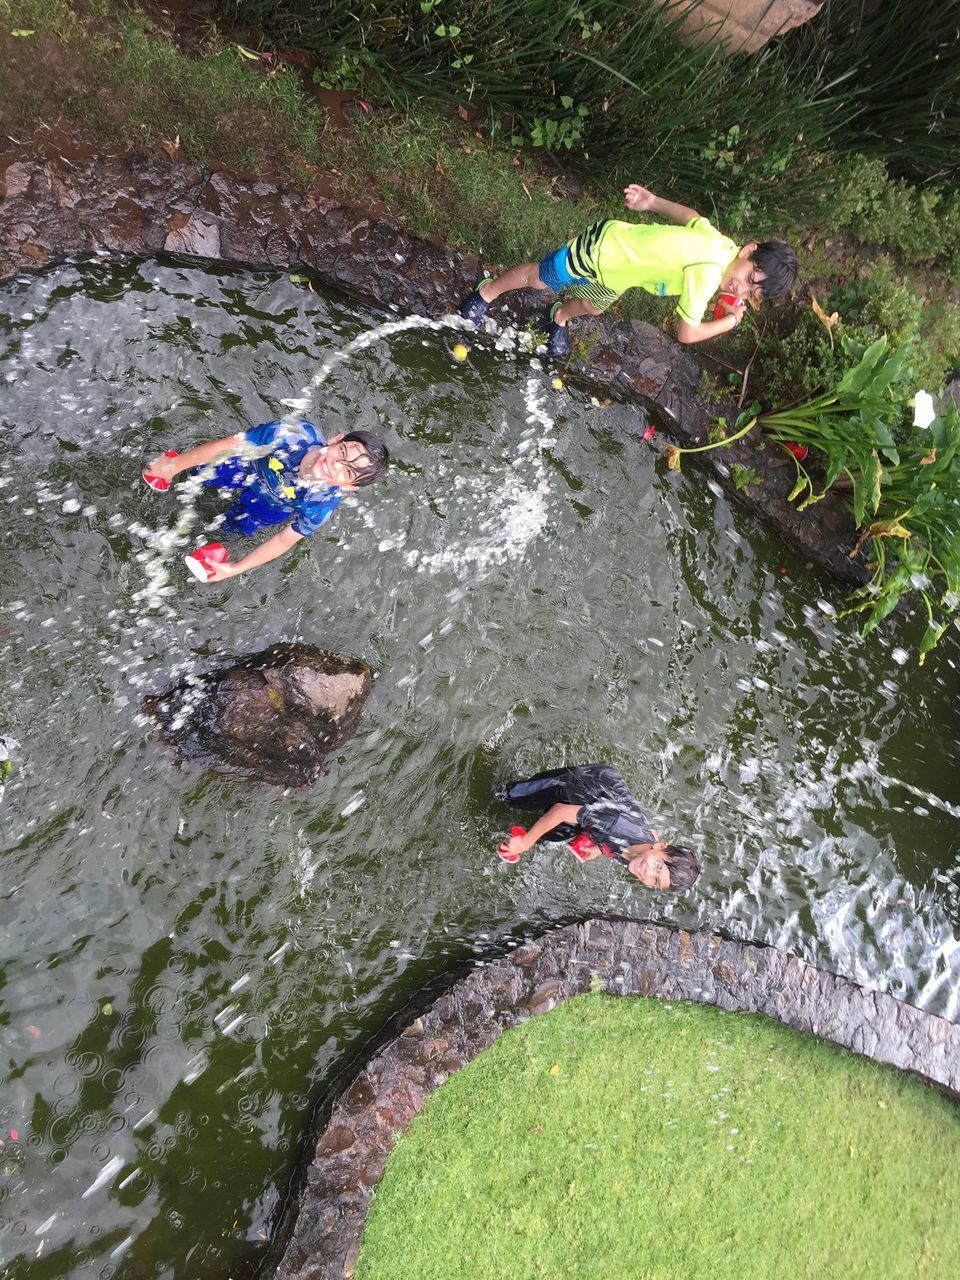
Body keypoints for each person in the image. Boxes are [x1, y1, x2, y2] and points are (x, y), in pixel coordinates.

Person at [460, 183, 797, 359]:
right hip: (602, 250)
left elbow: (693, 218)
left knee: (593, 305)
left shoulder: (723, 246)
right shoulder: (708, 274)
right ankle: (486, 291)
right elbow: (686, 333)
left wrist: (654, 203)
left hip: (620, 274)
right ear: (749, 251)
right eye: (750, 278)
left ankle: (558, 316)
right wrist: (730, 321)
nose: (740, 289)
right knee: (538, 278)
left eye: (751, 294)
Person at [143, 419, 389, 581]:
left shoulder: (320, 504)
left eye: (347, 472)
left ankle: (214, 546)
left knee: (231, 529)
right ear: (336, 440)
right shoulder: (292, 436)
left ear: (349, 487)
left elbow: (284, 540)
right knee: (204, 471)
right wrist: (172, 467)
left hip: (273, 505)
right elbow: (229, 445)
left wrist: (236, 567)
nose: (335, 464)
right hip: (249, 465)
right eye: (343, 452)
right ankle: (179, 464)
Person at [497, 762, 700, 892]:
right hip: (581, 784)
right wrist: (525, 841)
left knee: (549, 839)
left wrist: (601, 848)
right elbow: (560, 811)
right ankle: (510, 803)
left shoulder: (641, 857)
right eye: (658, 867)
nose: (647, 874)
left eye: (655, 882)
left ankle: (530, 834)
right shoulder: (616, 823)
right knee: (508, 797)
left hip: (599, 810)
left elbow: (650, 834)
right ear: (660, 846)